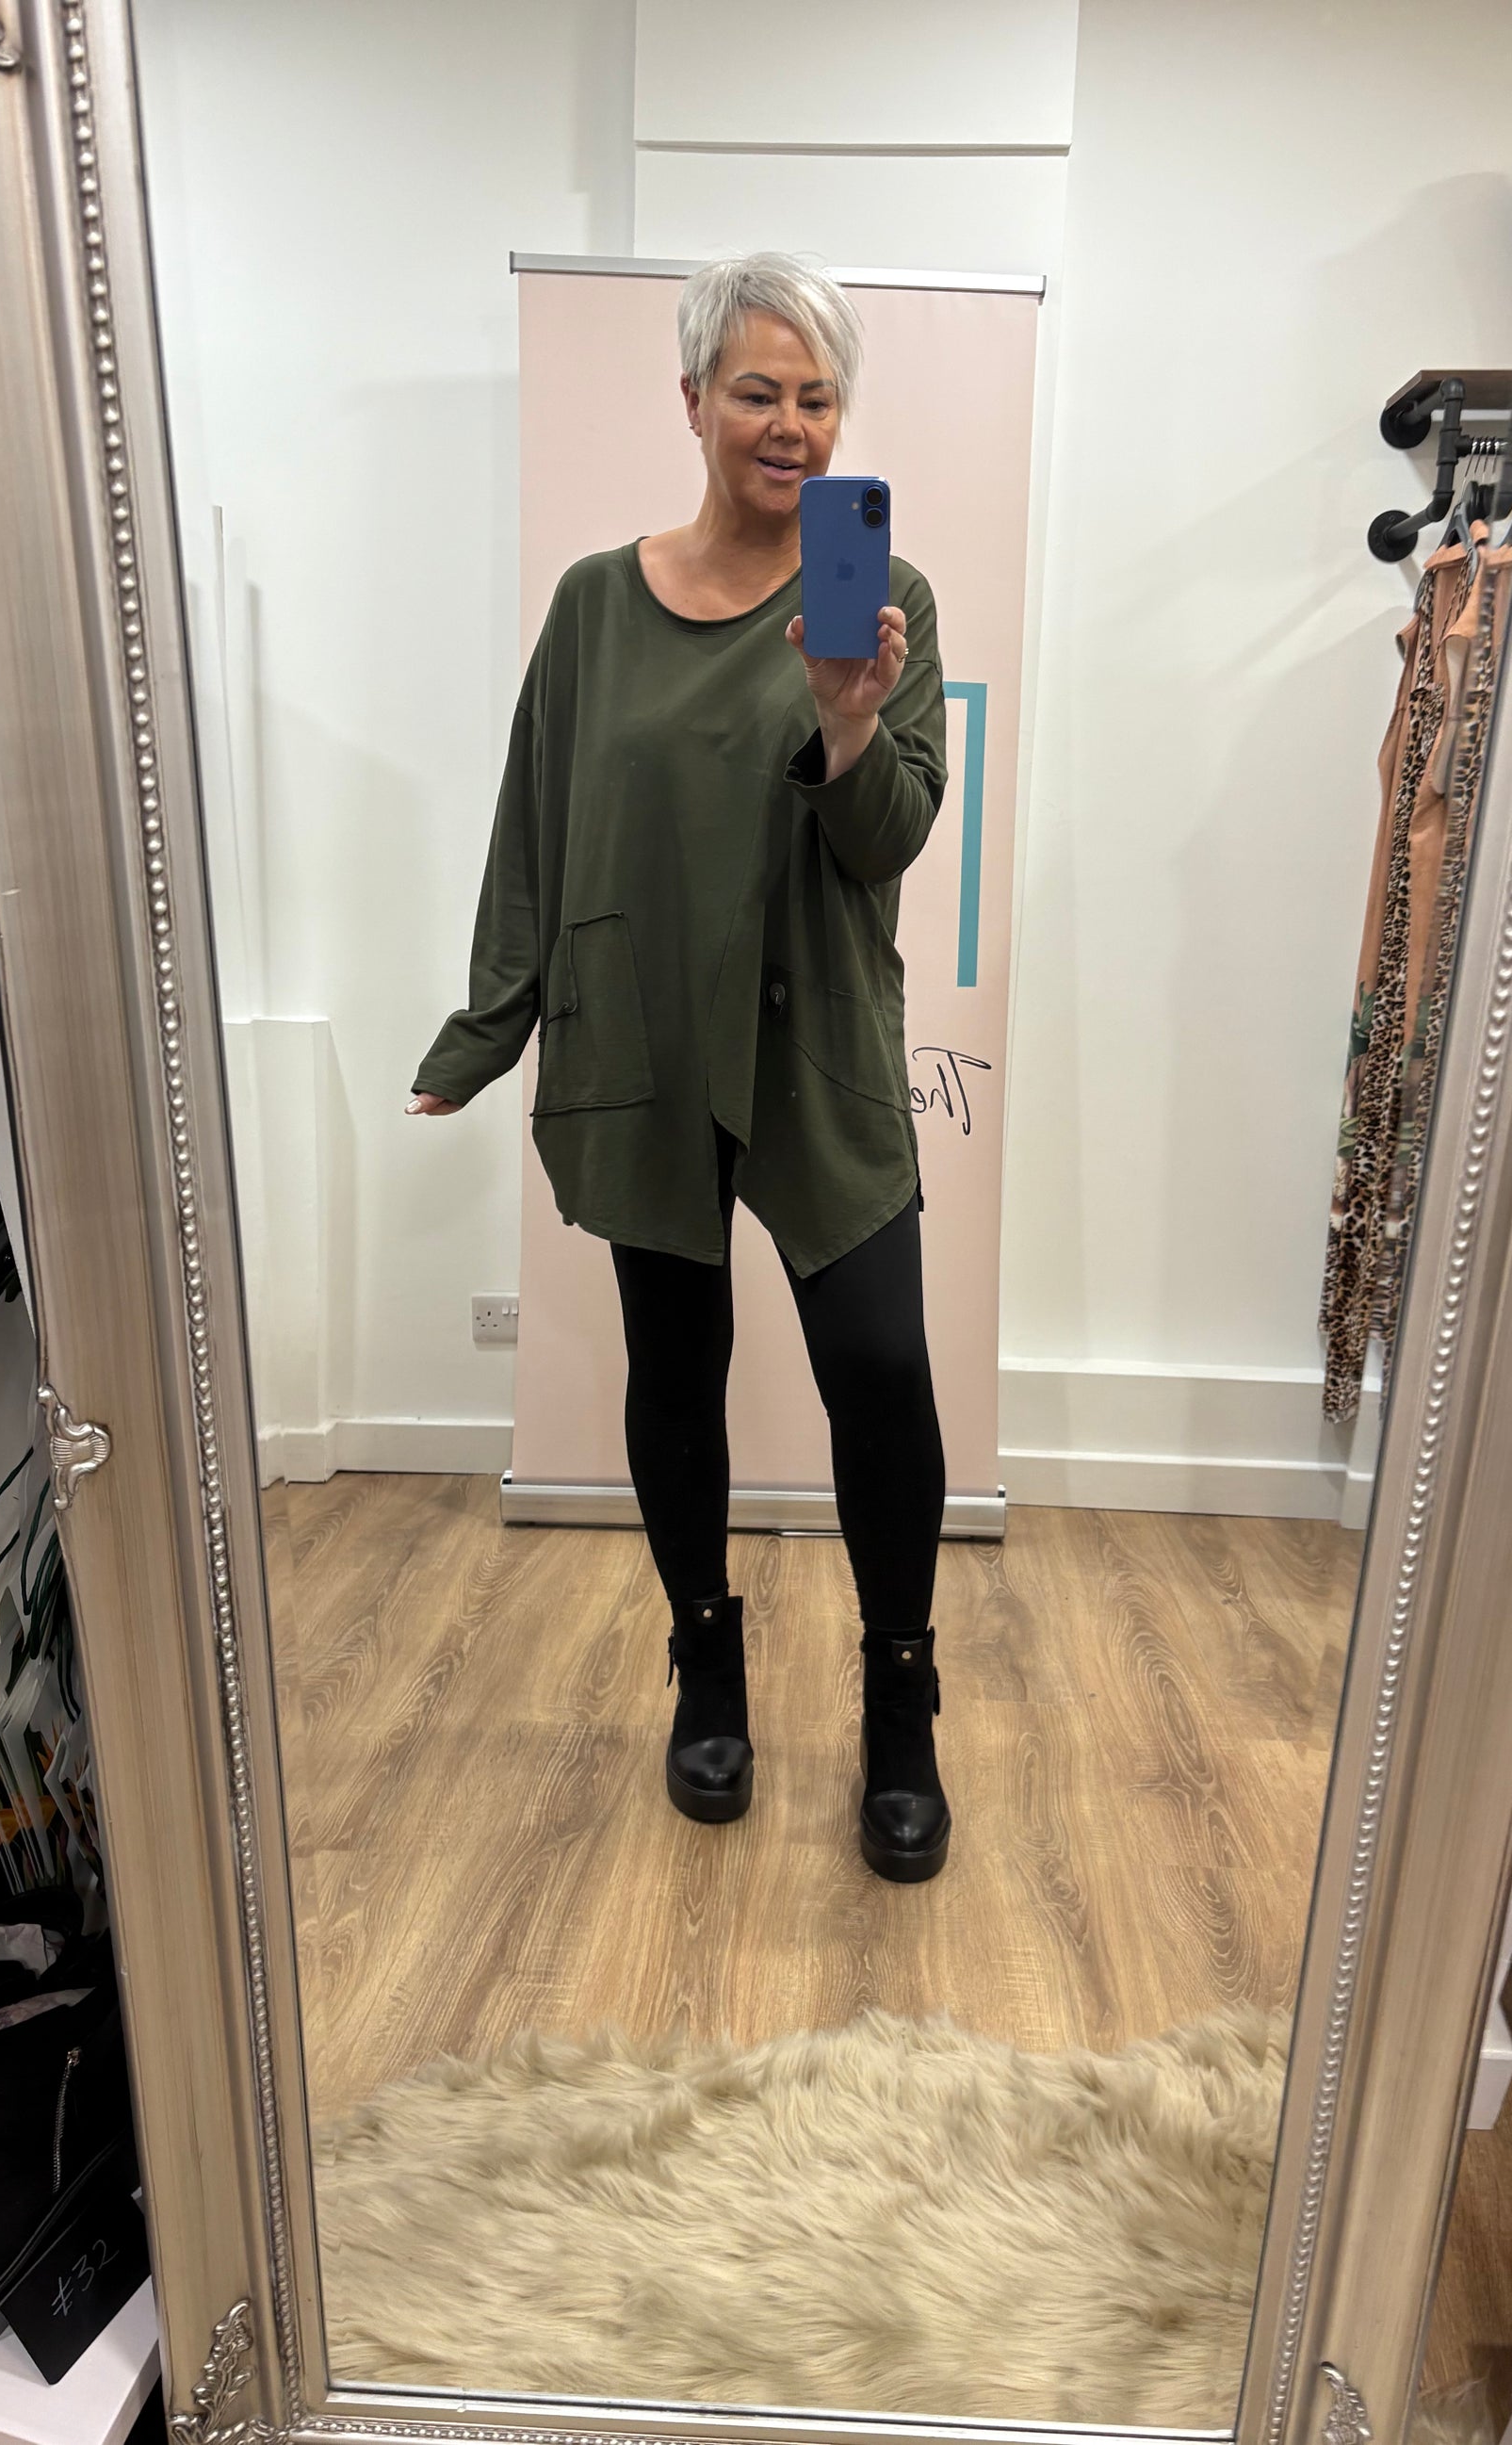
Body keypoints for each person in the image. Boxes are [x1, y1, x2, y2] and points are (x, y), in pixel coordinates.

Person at [406, 253, 951, 1882]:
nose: (789, 424)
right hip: (639, 1031)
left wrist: (848, 722)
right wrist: (489, 1026)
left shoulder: (881, 595)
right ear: (695, 401)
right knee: (674, 1362)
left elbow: (889, 839)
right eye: (757, 391)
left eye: (816, 398)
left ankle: (901, 1697)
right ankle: (704, 1660)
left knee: (880, 1369)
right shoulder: (596, 603)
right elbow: (535, 819)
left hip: (813, 1037)